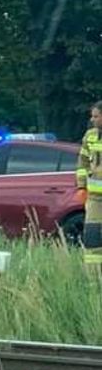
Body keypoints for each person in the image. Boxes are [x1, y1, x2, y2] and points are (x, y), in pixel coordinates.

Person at [76, 101, 102, 269]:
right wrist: (81, 187)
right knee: (92, 237)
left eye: (96, 116)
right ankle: (94, 275)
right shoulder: (90, 136)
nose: (92, 120)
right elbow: (83, 163)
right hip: (95, 198)